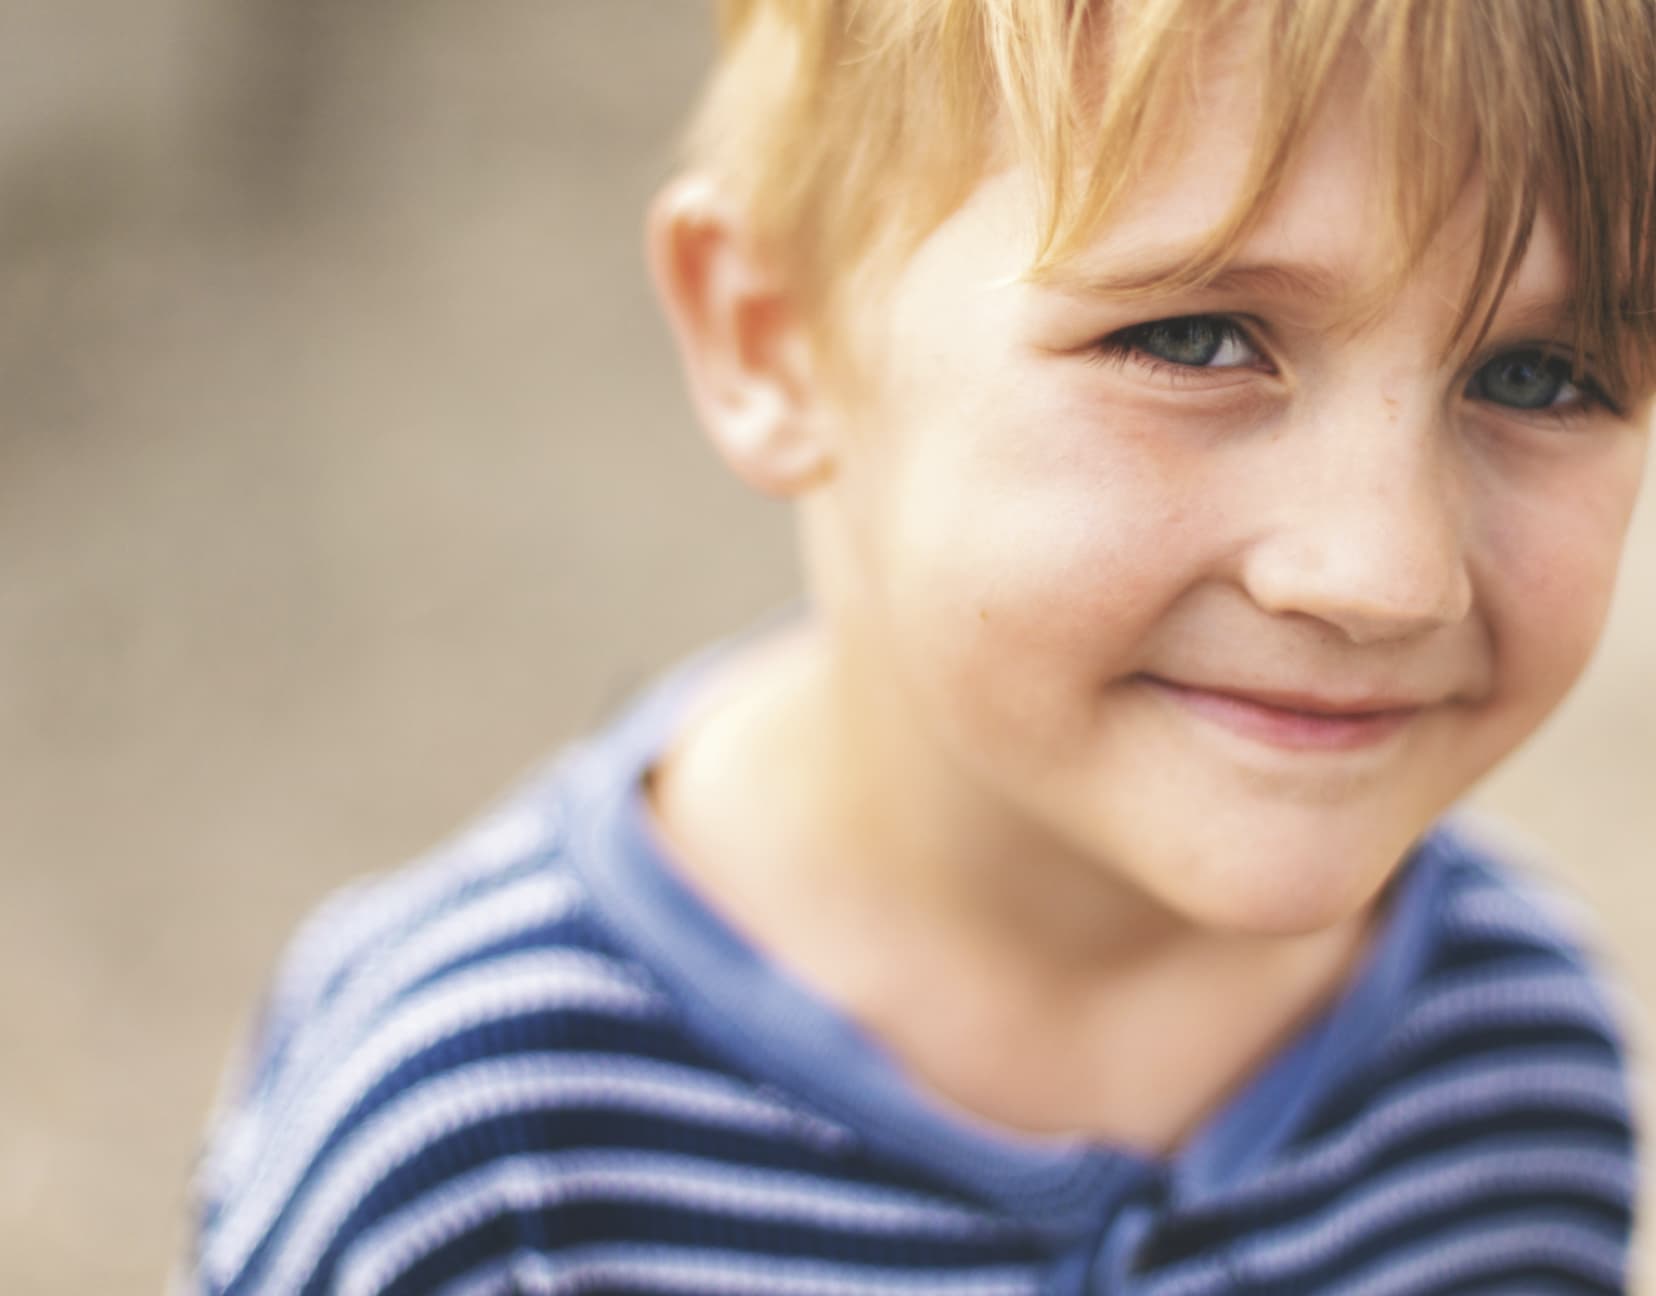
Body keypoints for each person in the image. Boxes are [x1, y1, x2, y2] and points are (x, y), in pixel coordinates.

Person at [186, 1, 1656, 1291]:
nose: (1387, 573)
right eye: (1198, 339)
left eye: (1543, 374)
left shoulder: (1513, 1064)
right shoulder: (473, 1154)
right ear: (771, 335)